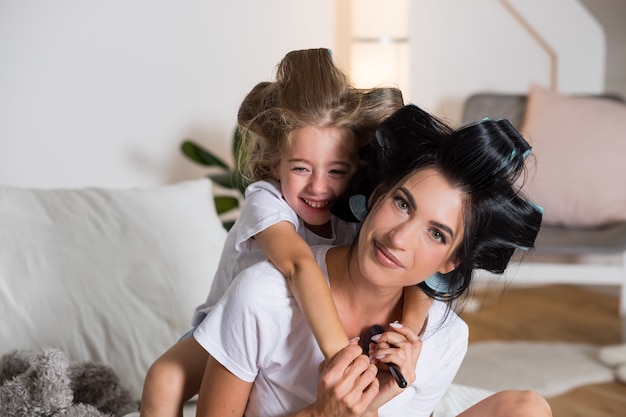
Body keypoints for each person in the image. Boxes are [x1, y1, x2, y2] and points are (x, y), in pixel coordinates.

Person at [190, 104, 549, 417]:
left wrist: (373, 404)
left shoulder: (445, 337)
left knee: (527, 409)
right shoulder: (263, 295)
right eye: (403, 204)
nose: (399, 238)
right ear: (377, 196)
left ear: (450, 262)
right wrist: (321, 414)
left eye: (436, 234)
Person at [140, 49, 433, 417]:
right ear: (274, 163)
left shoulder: (360, 208)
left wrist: (404, 335)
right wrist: (344, 362)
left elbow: (418, 276)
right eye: (300, 168)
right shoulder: (266, 201)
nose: (319, 187)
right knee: (163, 378)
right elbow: (298, 265)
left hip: (305, 331)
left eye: (337, 171)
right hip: (234, 329)